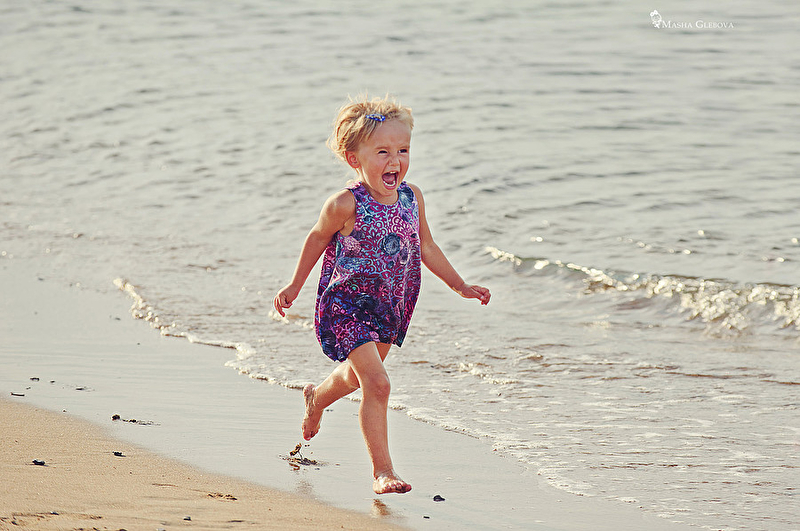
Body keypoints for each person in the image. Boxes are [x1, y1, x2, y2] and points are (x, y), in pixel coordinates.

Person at [273, 95, 490, 495]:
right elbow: (317, 239)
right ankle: (383, 472)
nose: (395, 161)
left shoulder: (412, 197)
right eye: (383, 152)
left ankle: (316, 399)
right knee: (378, 384)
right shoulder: (345, 203)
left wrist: (459, 285)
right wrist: (294, 285)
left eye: (403, 150)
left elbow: (426, 246)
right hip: (347, 306)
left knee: (356, 379)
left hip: (389, 306)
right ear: (354, 158)